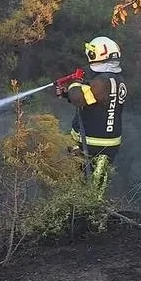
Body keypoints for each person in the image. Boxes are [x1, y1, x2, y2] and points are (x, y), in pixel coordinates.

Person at [56, 36, 126, 193]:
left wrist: (75, 83)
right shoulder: (115, 80)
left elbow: (80, 99)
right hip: (108, 145)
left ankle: (84, 213)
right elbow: (92, 99)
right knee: (96, 186)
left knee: (81, 185)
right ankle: (89, 211)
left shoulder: (103, 82)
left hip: (90, 143)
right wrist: (67, 94)